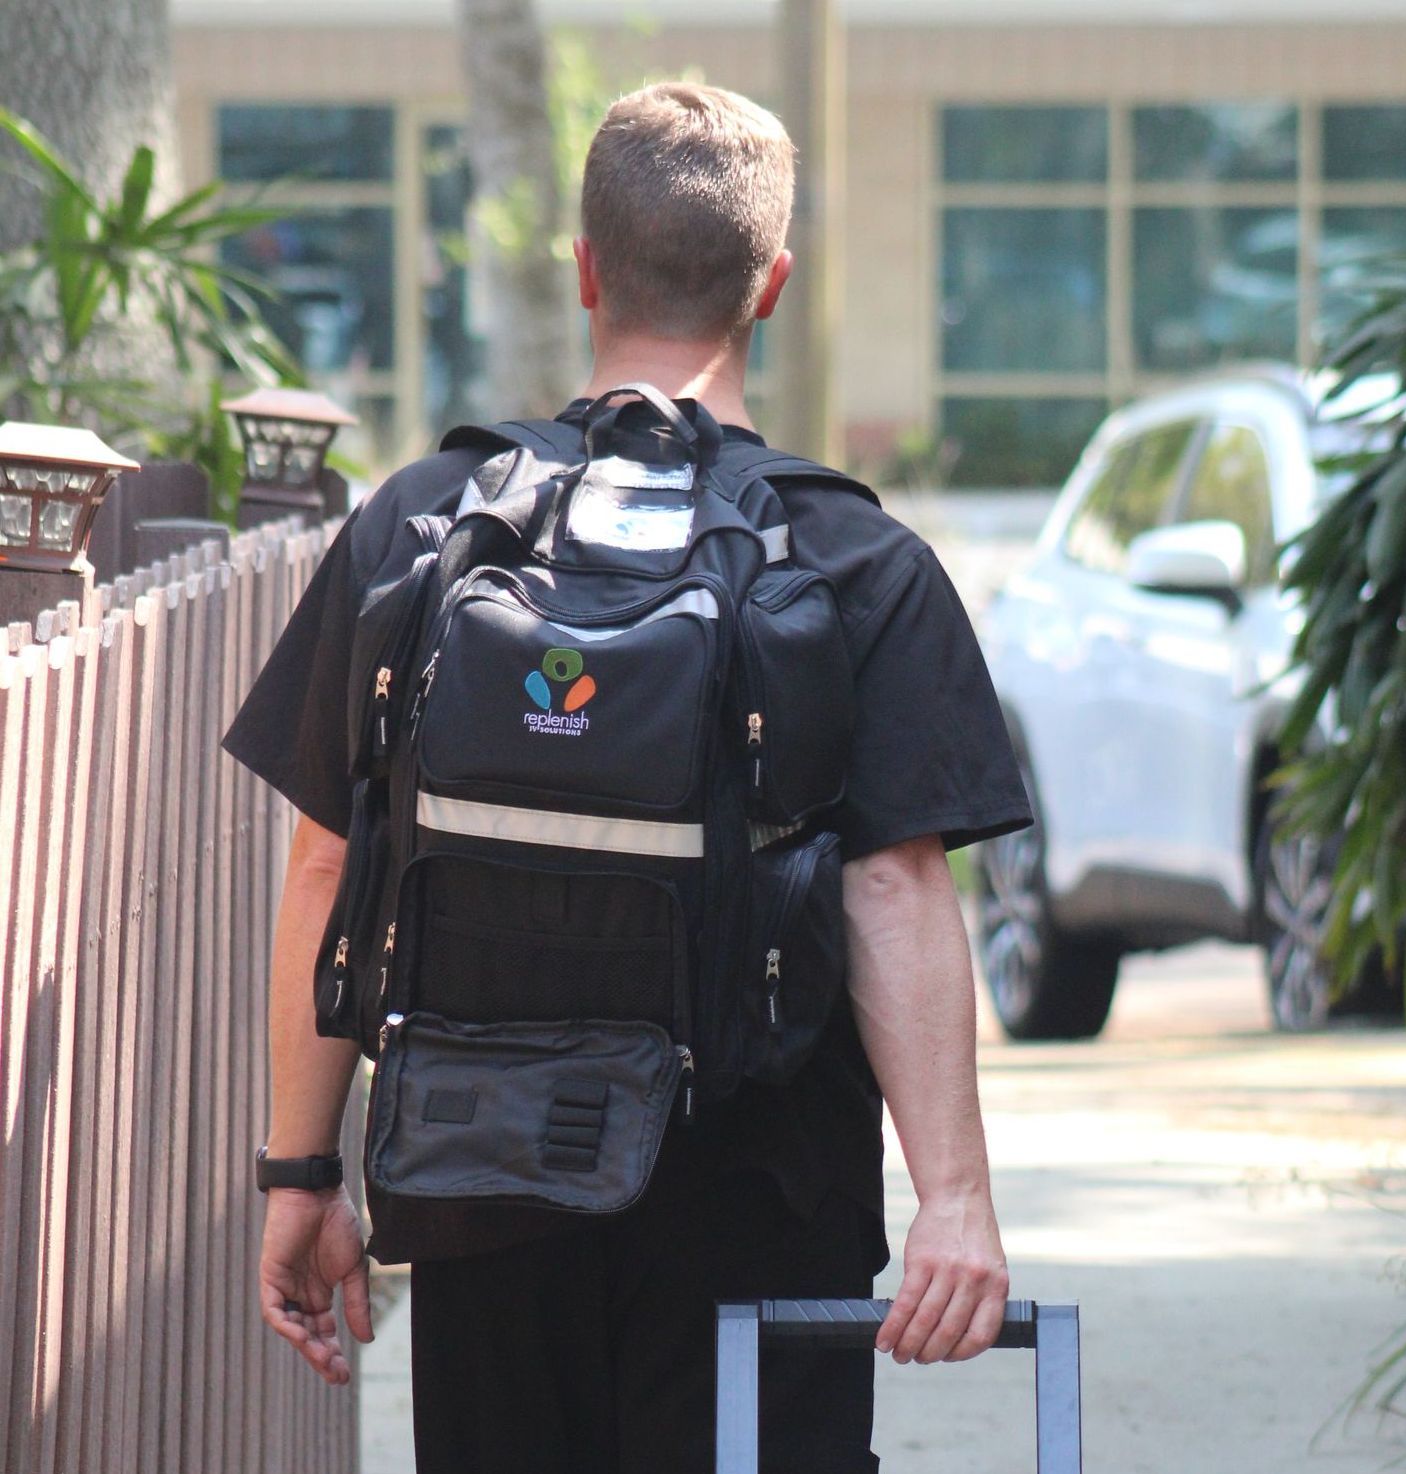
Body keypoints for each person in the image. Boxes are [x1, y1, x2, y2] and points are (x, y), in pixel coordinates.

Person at [223, 81, 1033, 1473]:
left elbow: (324, 863)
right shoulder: (850, 560)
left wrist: (302, 1171)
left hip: (479, 1184)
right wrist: (953, 1199)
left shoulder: (423, 526)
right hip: (760, 1203)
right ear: (770, 286)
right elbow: (893, 888)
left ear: (585, 266)